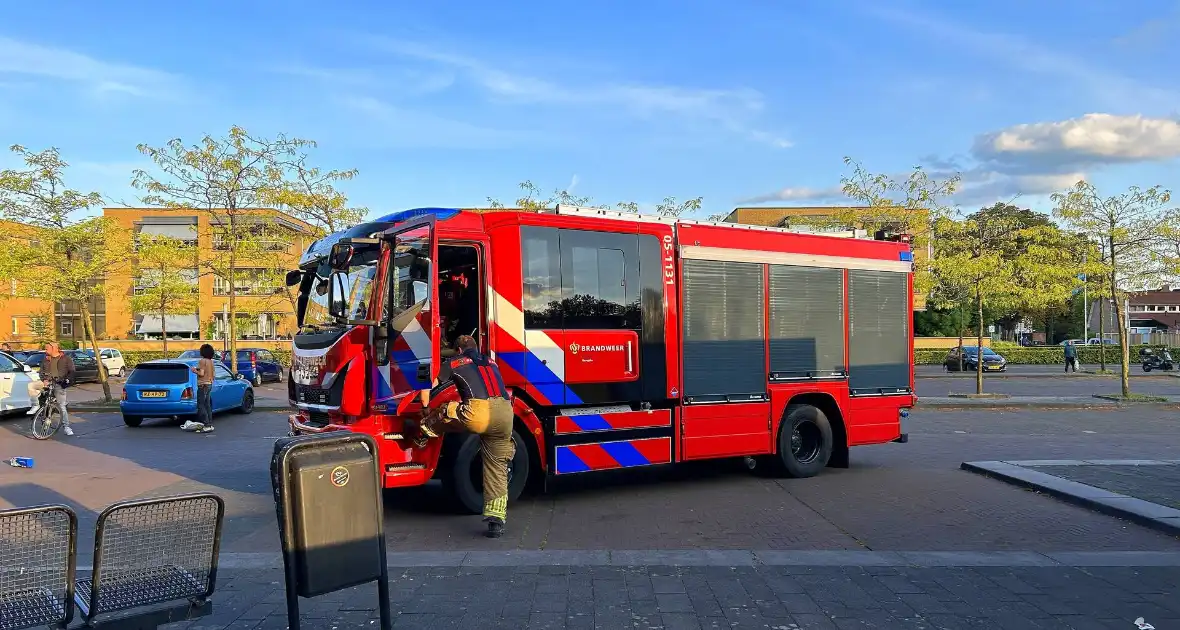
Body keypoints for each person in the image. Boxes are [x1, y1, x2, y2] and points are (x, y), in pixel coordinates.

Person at [418, 335, 514, 538]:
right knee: (497, 466)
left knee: (445, 410)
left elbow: (430, 384)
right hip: (506, 412)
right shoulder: (491, 361)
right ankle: (496, 521)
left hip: (478, 412)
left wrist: (425, 408)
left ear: (459, 350)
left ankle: (424, 433)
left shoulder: (454, 362)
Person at [27, 342, 76, 436]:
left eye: (47, 349)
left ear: (55, 348)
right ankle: (35, 406)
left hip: (59, 383)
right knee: (31, 386)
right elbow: (41, 372)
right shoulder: (45, 359)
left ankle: (66, 427)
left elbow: (72, 371)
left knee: (61, 405)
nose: (45, 351)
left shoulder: (66, 359)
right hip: (47, 382)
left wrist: (67, 380)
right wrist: (44, 379)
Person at [186, 344, 216, 433]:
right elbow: (213, 374)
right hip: (209, 384)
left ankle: (206, 425)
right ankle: (210, 424)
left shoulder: (202, 361)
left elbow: (201, 373)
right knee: (207, 405)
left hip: (203, 385)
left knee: (200, 405)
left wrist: (194, 370)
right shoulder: (211, 361)